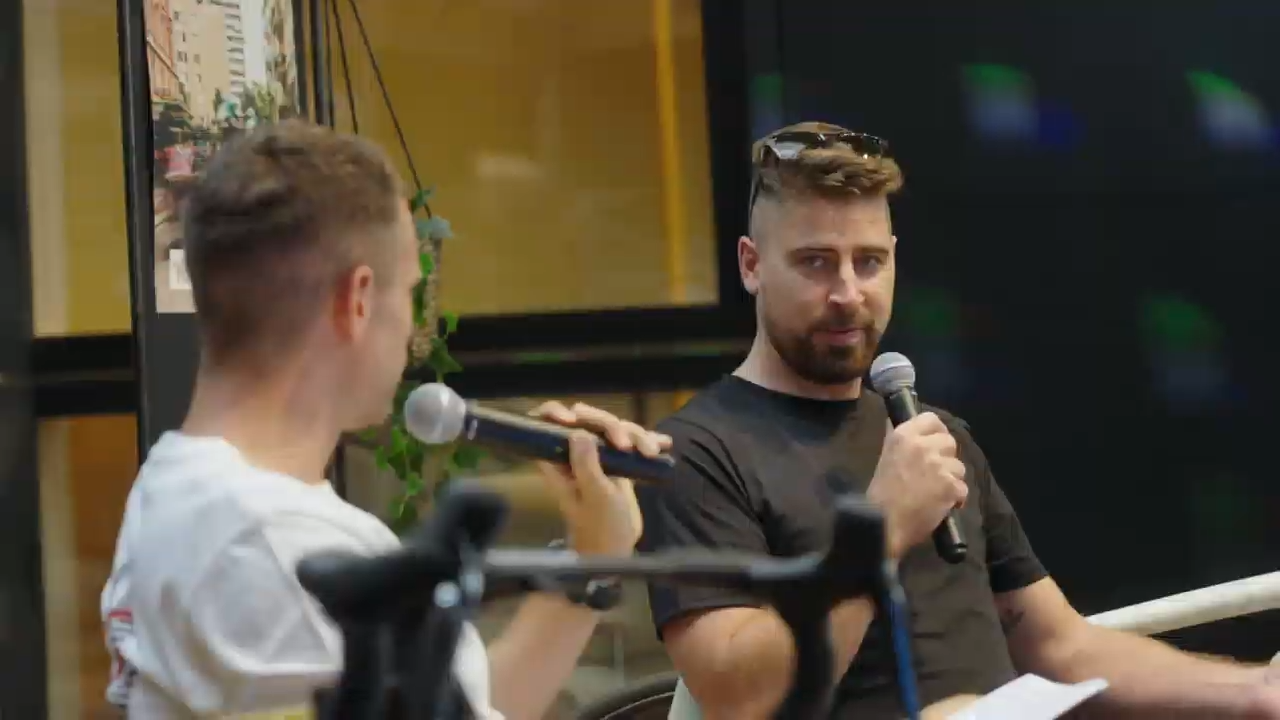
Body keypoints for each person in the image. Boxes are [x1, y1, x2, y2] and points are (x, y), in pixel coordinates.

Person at [635, 121, 1280, 719]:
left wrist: (1254, 691)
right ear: (751, 265)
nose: (848, 294)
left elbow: (1060, 644)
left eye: (869, 261)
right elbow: (738, 698)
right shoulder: (696, 451)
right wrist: (880, 531)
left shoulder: (930, 434)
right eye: (815, 262)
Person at [100, 120, 671, 719]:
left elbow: (467, 704)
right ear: (359, 299)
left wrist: (591, 557)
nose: (412, 333)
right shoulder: (274, 540)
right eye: (411, 294)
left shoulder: (184, 492)